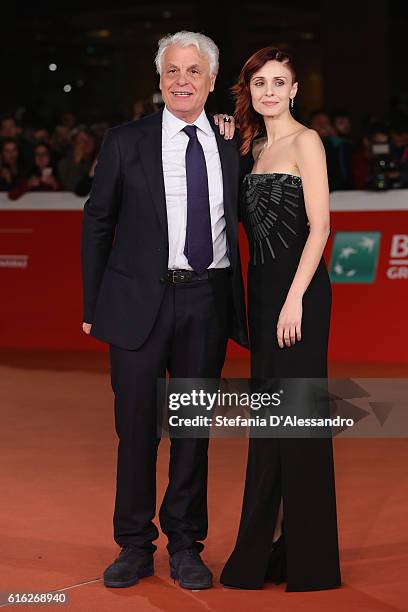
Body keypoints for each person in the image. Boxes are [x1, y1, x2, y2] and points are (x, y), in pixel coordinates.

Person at [81, 30, 248, 591]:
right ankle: (133, 545)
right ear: (159, 79)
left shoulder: (232, 142)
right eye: (172, 71)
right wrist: (93, 303)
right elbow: (98, 223)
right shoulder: (125, 141)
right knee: (136, 433)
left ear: (210, 81)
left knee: (192, 429)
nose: (182, 80)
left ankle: (185, 544)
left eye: (193, 71)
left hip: (207, 300)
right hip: (135, 306)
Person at [220, 47, 341, 592]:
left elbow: (319, 228)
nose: (269, 91)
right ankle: (260, 556)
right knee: (268, 428)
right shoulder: (254, 147)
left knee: (301, 427)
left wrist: (295, 300)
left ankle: (312, 562)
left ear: (295, 90)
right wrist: (225, 134)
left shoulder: (305, 142)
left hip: (300, 298)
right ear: (249, 90)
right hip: (262, 297)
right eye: (260, 83)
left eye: (279, 82)